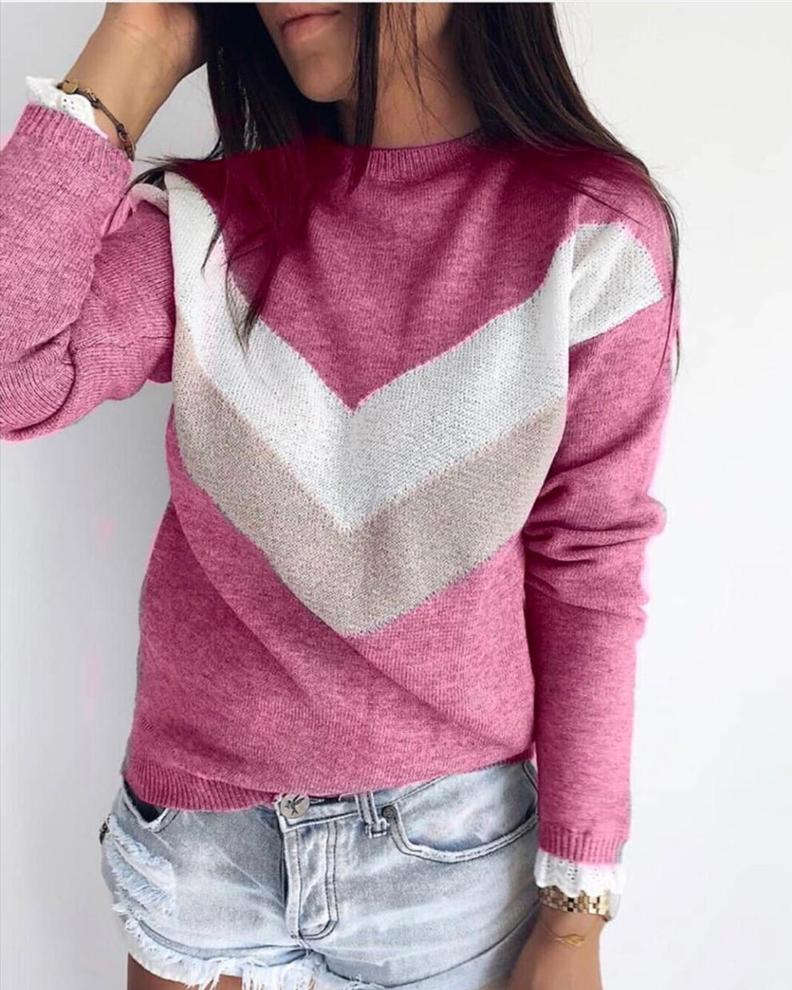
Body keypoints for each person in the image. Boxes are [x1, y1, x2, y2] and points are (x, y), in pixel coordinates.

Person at [0, 4, 681, 989]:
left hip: (455, 861)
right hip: (203, 850)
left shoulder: (595, 235)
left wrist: (577, 916)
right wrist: (141, 35)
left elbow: (589, 572)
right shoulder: (207, 227)